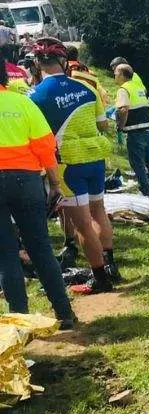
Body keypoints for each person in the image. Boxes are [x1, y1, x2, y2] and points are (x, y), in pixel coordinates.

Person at [27, 38, 117, 295]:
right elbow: (102, 125)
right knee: (99, 211)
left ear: (36, 63)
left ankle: (100, 278)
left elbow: (35, 135)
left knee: (82, 225)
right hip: (95, 159)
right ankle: (111, 265)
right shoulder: (87, 89)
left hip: (67, 165)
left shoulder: (35, 96)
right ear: (64, 62)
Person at [0, 55, 76, 328]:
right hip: (27, 181)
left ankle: (19, 322)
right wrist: (55, 183)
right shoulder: (22, 103)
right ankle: (64, 314)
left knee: (5, 254)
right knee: (41, 247)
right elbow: (45, 148)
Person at [113, 61, 149, 197]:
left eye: (116, 74)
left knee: (137, 163)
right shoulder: (137, 87)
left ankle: (144, 190)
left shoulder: (124, 89)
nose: (114, 76)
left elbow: (123, 109)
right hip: (147, 129)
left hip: (135, 130)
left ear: (122, 75)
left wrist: (120, 127)